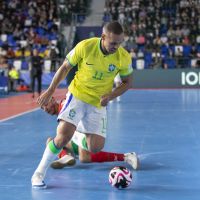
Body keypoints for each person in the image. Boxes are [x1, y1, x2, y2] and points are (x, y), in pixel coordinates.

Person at [31, 21, 138, 189]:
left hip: (98, 103)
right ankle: (38, 173)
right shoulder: (86, 46)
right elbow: (65, 67)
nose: (116, 47)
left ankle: (75, 134)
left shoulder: (122, 56)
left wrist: (110, 95)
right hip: (77, 95)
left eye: (119, 43)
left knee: (95, 148)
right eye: (113, 43)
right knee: (61, 138)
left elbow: (128, 82)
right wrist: (51, 90)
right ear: (103, 37)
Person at [43, 97, 139, 169]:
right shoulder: (61, 114)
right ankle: (66, 156)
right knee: (50, 141)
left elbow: (82, 120)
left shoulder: (65, 105)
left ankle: (127, 156)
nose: (45, 109)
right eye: (43, 108)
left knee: (84, 157)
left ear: (52, 99)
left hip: (87, 132)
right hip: (77, 137)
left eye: (46, 104)